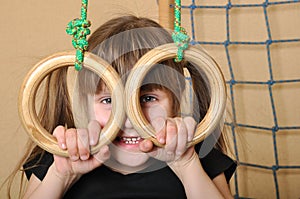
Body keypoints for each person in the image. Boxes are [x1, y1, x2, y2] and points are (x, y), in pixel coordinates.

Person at [4, 15, 236, 199]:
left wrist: (186, 165)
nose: (129, 119)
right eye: (108, 101)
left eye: (147, 99)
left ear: (176, 99)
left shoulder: (198, 159)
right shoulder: (59, 159)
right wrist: (61, 176)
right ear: (84, 104)